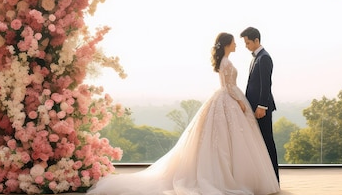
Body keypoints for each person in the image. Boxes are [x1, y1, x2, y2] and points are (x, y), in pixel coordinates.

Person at [87, 32, 280, 195]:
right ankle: (234, 177)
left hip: (224, 98)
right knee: (233, 140)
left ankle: (232, 175)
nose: (239, 45)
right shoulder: (227, 63)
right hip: (230, 98)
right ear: (228, 44)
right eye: (236, 42)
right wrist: (239, 101)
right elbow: (230, 86)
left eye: (244, 42)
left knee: (226, 140)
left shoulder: (225, 61)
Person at [240, 27, 279, 182]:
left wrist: (262, 106)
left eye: (248, 42)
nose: (246, 46)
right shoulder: (256, 57)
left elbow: (266, 85)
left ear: (256, 40)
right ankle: (265, 179)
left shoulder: (264, 58)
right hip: (254, 108)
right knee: (260, 142)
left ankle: (274, 179)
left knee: (267, 141)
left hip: (261, 109)